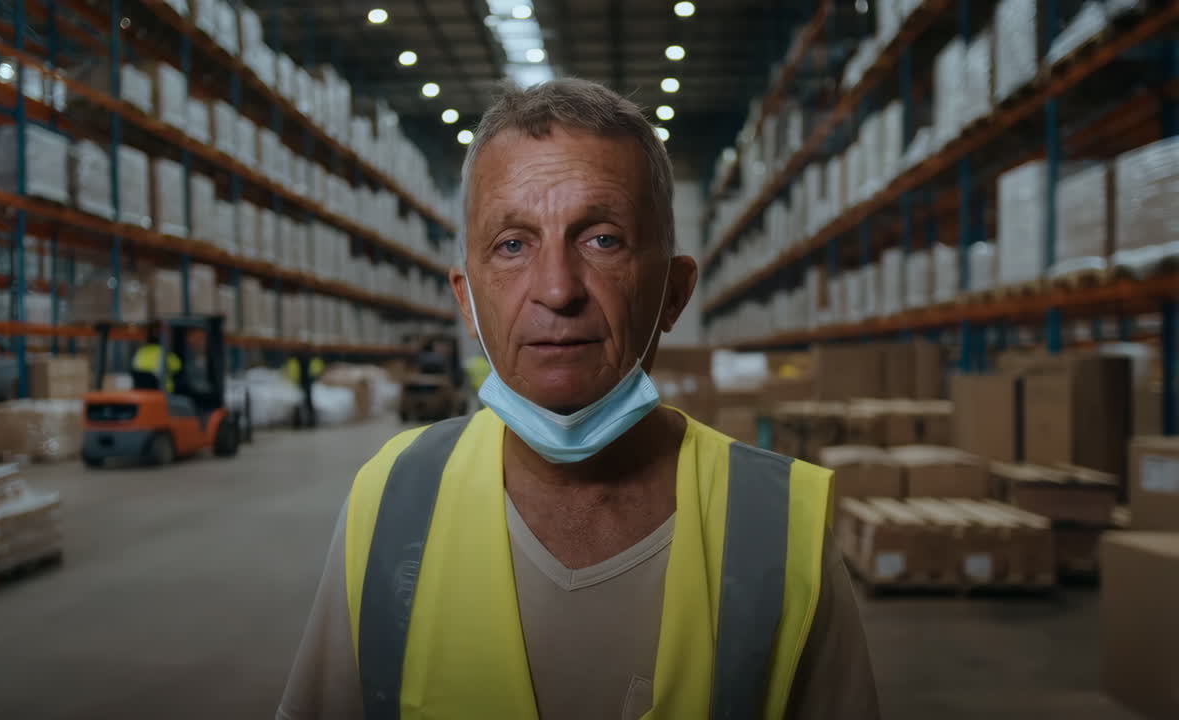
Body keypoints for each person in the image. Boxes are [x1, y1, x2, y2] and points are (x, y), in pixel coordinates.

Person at [278, 79, 879, 720]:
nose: (557, 290)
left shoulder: (782, 527)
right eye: (513, 245)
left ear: (674, 293)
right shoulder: (390, 503)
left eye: (602, 240)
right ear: (466, 299)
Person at [131, 325, 181, 393]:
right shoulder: (165, 353)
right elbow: (178, 367)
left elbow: (134, 369)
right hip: (164, 392)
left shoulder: (141, 351)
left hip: (142, 392)